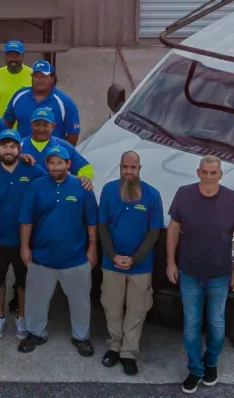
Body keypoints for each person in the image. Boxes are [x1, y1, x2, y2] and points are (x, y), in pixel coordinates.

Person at [167, 155, 234, 394]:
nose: (209, 177)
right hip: (189, 273)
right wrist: (170, 262)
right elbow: (173, 229)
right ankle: (195, 369)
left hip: (219, 275)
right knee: (191, 325)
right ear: (198, 172)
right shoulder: (184, 194)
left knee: (216, 324)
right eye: (205, 172)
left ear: (220, 174)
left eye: (214, 173)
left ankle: (210, 363)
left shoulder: (232, 199)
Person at [16, 145, 98, 357]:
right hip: (41, 257)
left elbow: (91, 223)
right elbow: (26, 220)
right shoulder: (35, 187)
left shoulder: (83, 187)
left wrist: (92, 248)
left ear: (68, 164)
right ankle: (36, 333)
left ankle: (81, 337)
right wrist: (25, 247)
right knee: (36, 299)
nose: (55, 167)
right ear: (47, 165)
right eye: (51, 163)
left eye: (59, 162)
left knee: (80, 301)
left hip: (76, 258)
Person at [96, 150, 163, 376]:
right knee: (112, 306)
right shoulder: (108, 191)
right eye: (125, 167)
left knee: (137, 309)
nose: (129, 172)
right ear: (120, 167)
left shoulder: (152, 196)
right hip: (110, 262)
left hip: (141, 266)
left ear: (140, 169)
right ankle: (114, 346)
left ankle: (128, 353)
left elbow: (154, 232)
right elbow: (102, 226)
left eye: (133, 168)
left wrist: (135, 259)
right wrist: (113, 255)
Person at [0, 129, 45, 341]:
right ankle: (0, 316)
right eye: (5, 146)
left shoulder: (31, 169)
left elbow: (51, 178)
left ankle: (21, 317)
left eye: (13, 146)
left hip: (24, 241)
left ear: (19, 149)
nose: (9, 149)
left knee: (23, 281)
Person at [3, 60, 82, 144]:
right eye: (36, 76)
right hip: (23, 153)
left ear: (52, 79)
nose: (40, 80)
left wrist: (61, 154)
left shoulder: (65, 102)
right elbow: (7, 121)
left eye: (44, 76)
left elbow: (73, 133)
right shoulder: (19, 96)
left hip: (51, 153)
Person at [19, 107, 94, 190]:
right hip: (25, 194)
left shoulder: (63, 145)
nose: (41, 129)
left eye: (45, 125)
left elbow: (84, 166)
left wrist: (86, 177)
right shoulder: (18, 145)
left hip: (55, 195)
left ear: (53, 125)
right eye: (37, 124)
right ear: (31, 124)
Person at [0, 41, 32, 118]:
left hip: (25, 128)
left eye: (16, 55)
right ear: (4, 56)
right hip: (1, 127)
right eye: (9, 55)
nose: (13, 59)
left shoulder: (33, 75)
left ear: (23, 56)